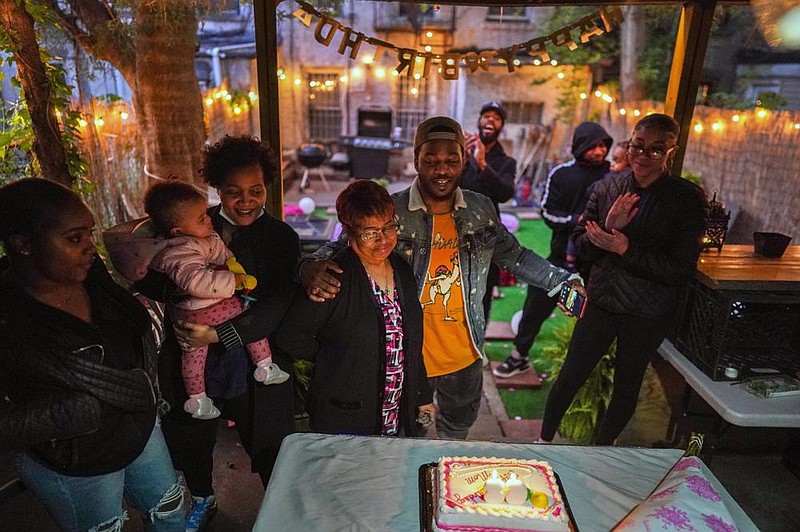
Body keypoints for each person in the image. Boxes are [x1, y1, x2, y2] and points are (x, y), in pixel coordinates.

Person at [301, 116, 582, 440]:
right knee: (408, 440)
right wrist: (308, 266)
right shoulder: (393, 210)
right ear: (416, 160)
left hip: (464, 355)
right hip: (405, 356)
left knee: (455, 434)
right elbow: (340, 247)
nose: (442, 169)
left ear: (464, 159)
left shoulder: (480, 209)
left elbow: (515, 255)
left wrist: (561, 282)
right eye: (431, 160)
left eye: (451, 159)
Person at [130, 135, 300, 530]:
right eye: (232, 192)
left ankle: (283, 508)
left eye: (255, 191)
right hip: (192, 356)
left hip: (253, 357)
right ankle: (203, 500)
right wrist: (184, 296)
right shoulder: (188, 224)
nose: (245, 201)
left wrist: (219, 336)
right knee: (191, 439)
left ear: (268, 187)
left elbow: (277, 304)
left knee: (270, 444)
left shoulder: (281, 238)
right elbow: (149, 277)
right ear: (216, 189)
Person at [0, 178, 185, 531]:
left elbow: (129, 323)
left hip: (138, 428)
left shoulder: (90, 274)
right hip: (77, 461)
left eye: (89, 234)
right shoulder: (10, 322)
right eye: (75, 238)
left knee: (169, 508)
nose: (90, 247)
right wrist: (88, 408)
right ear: (23, 243)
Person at [538, 113, 706, 445]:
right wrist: (611, 228)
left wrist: (625, 247)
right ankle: (542, 441)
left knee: (626, 386)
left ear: (671, 152)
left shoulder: (686, 199)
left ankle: (600, 453)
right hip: (602, 300)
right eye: (637, 147)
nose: (643, 156)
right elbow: (582, 249)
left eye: (656, 150)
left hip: (648, 310)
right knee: (571, 375)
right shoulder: (605, 188)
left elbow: (680, 269)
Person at [276, 180, 435, 436]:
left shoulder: (402, 270)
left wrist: (422, 395)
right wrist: (333, 356)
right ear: (349, 231)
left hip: (396, 413)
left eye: (388, 227)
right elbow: (290, 337)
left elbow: (411, 342)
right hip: (346, 416)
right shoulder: (332, 278)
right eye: (370, 233)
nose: (382, 240)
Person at [494, 122, 612, 378]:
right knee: (536, 304)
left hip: (598, 265)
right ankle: (519, 356)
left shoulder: (612, 177)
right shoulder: (562, 174)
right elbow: (547, 212)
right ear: (581, 145)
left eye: (604, 145)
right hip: (562, 259)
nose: (600, 151)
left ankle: (590, 374)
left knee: (591, 319)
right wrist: (576, 222)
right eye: (594, 145)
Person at [462, 101, 518, 322]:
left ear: (501, 126)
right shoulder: (462, 151)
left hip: (486, 235)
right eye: (486, 115)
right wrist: (462, 160)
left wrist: (483, 164)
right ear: (479, 121)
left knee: (481, 292)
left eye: (496, 118)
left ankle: (476, 346)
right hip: (454, 230)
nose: (490, 120)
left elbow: (505, 193)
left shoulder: (506, 162)